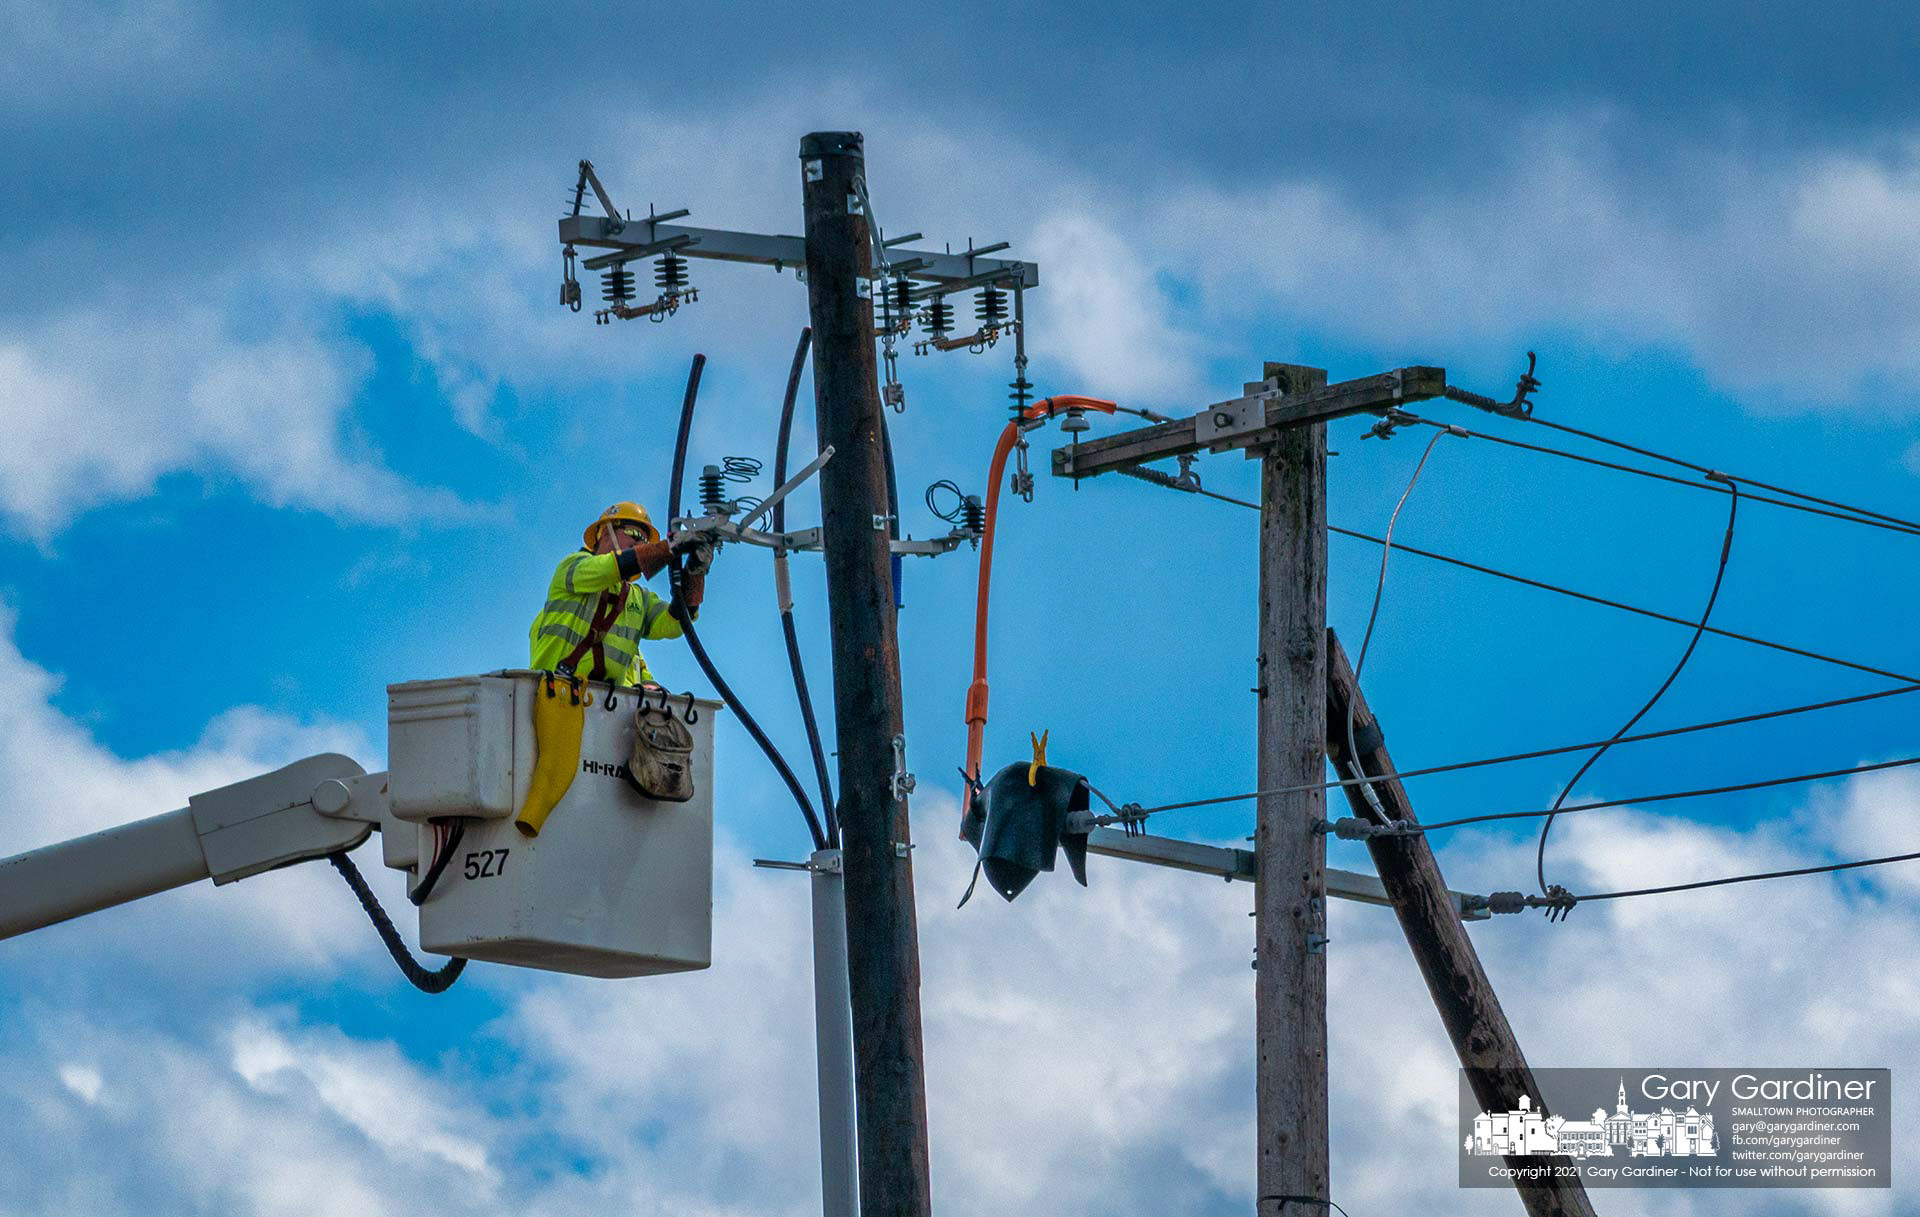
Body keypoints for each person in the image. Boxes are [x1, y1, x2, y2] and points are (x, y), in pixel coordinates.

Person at [528, 501, 713, 686]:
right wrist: (672, 546)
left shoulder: (639, 598)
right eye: (635, 534)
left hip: (606, 705)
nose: (641, 543)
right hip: (552, 693)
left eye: (645, 541)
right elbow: (610, 567)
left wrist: (695, 573)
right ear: (606, 532)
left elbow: (676, 623)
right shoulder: (573, 567)